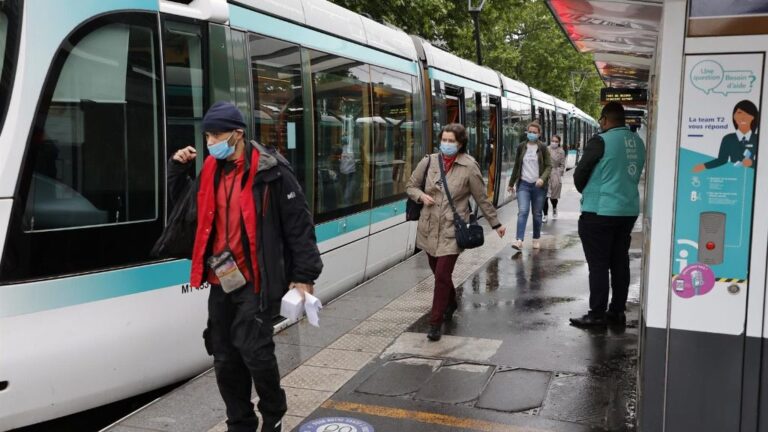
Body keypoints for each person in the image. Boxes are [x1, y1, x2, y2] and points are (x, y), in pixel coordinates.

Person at [169, 101, 323, 432]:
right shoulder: (211, 169)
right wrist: (176, 172)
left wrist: (304, 276)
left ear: (238, 134)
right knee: (224, 356)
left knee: (255, 352)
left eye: (217, 135)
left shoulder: (272, 172)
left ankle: (274, 411)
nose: (211, 142)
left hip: (256, 279)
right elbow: (188, 214)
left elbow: (299, 225)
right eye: (207, 135)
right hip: (220, 278)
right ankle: (239, 421)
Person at [406, 123, 506, 342]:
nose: (447, 144)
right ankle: (450, 301)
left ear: (460, 144)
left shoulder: (470, 166)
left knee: (442, 275)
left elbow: (481, 198)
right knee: (438, 272)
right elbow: (411, 186)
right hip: (429, 227)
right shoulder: (429, 161)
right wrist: (421, 196)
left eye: (452, 141)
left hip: (453, 229)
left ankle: (435, 322)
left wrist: (496, 224)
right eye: (444, 140)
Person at [570, 102, 645, 328]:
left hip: (600, 211)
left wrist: (590, 192)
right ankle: (617, 311)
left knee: (599, 264)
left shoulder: (600, 141)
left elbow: (580, 174)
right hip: (628, 210)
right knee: (620, 262)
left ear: (604, 120)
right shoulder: (638, 142)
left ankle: (597, 314)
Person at [506, 121, 552, 250]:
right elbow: (516, 166)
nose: (531, 134)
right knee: (523, 211)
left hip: (539, 187)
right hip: (524, 184)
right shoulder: (521, 146)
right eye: (530, 132)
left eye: (534, 132)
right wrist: (511, 183)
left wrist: (542, 179)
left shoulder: (542, 147)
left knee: (537, 214)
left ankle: (536, 237)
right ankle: (519, 240)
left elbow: (549, 166)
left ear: (539, 134)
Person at [692, 100, 759, 172]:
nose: (743, 117)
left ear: (753, 117)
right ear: (734, 116)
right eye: (739, 113)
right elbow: (722, 160)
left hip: (754, 177)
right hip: (733, 175)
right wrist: (704, 166)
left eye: (747, 114)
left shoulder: (758, 139)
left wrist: (752, 163)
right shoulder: (728, 139)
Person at [543, 134, 566, 223]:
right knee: (544, 197)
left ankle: (554, 208)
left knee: (553, 197)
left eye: (556, 141)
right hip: (545, 174)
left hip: (555, 175)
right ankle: (545, 215)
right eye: (553, 140)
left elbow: (562, 165)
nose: (554, 143)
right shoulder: (546, 149)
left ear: (559, 142)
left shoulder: (561, 151)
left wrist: (558, 173)